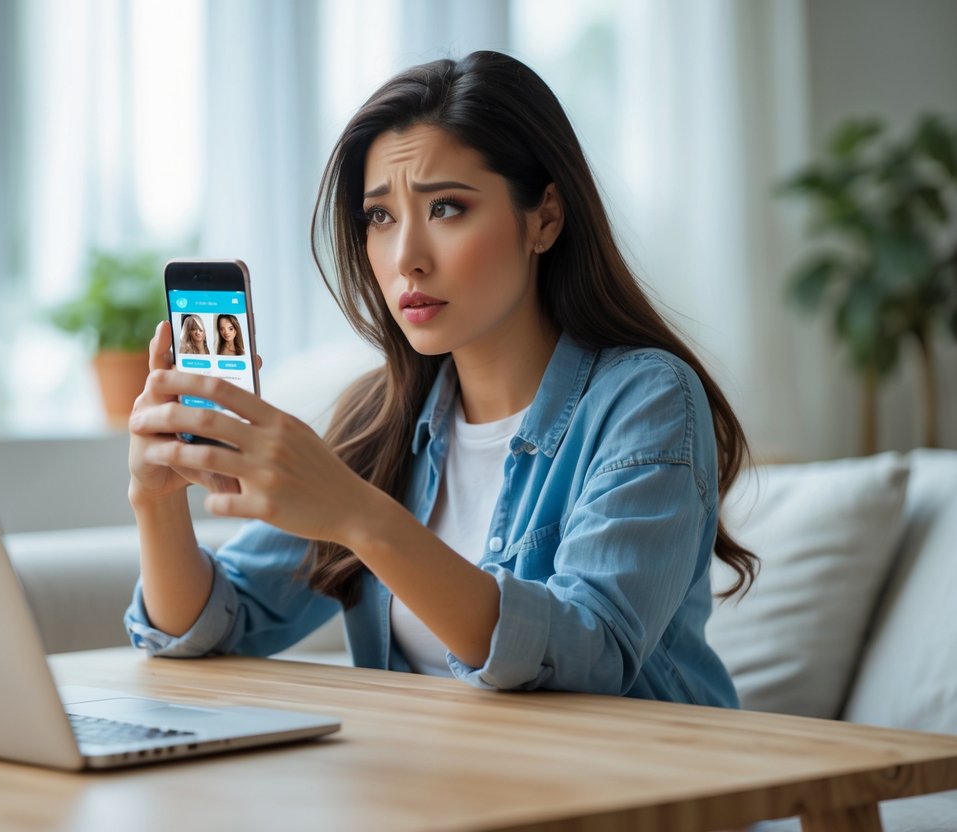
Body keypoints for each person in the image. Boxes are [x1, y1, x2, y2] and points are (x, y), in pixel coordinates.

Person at [124, 51, 757, 703]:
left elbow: (587, 655)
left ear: (544, 218)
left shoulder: (645, 399)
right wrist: (156, 498)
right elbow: (213, 624)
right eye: (379, 217)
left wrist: (356, 515)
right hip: (438, 796)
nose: (407, 260)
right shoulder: (383, 416)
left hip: (641, 795)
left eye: (447, 208)